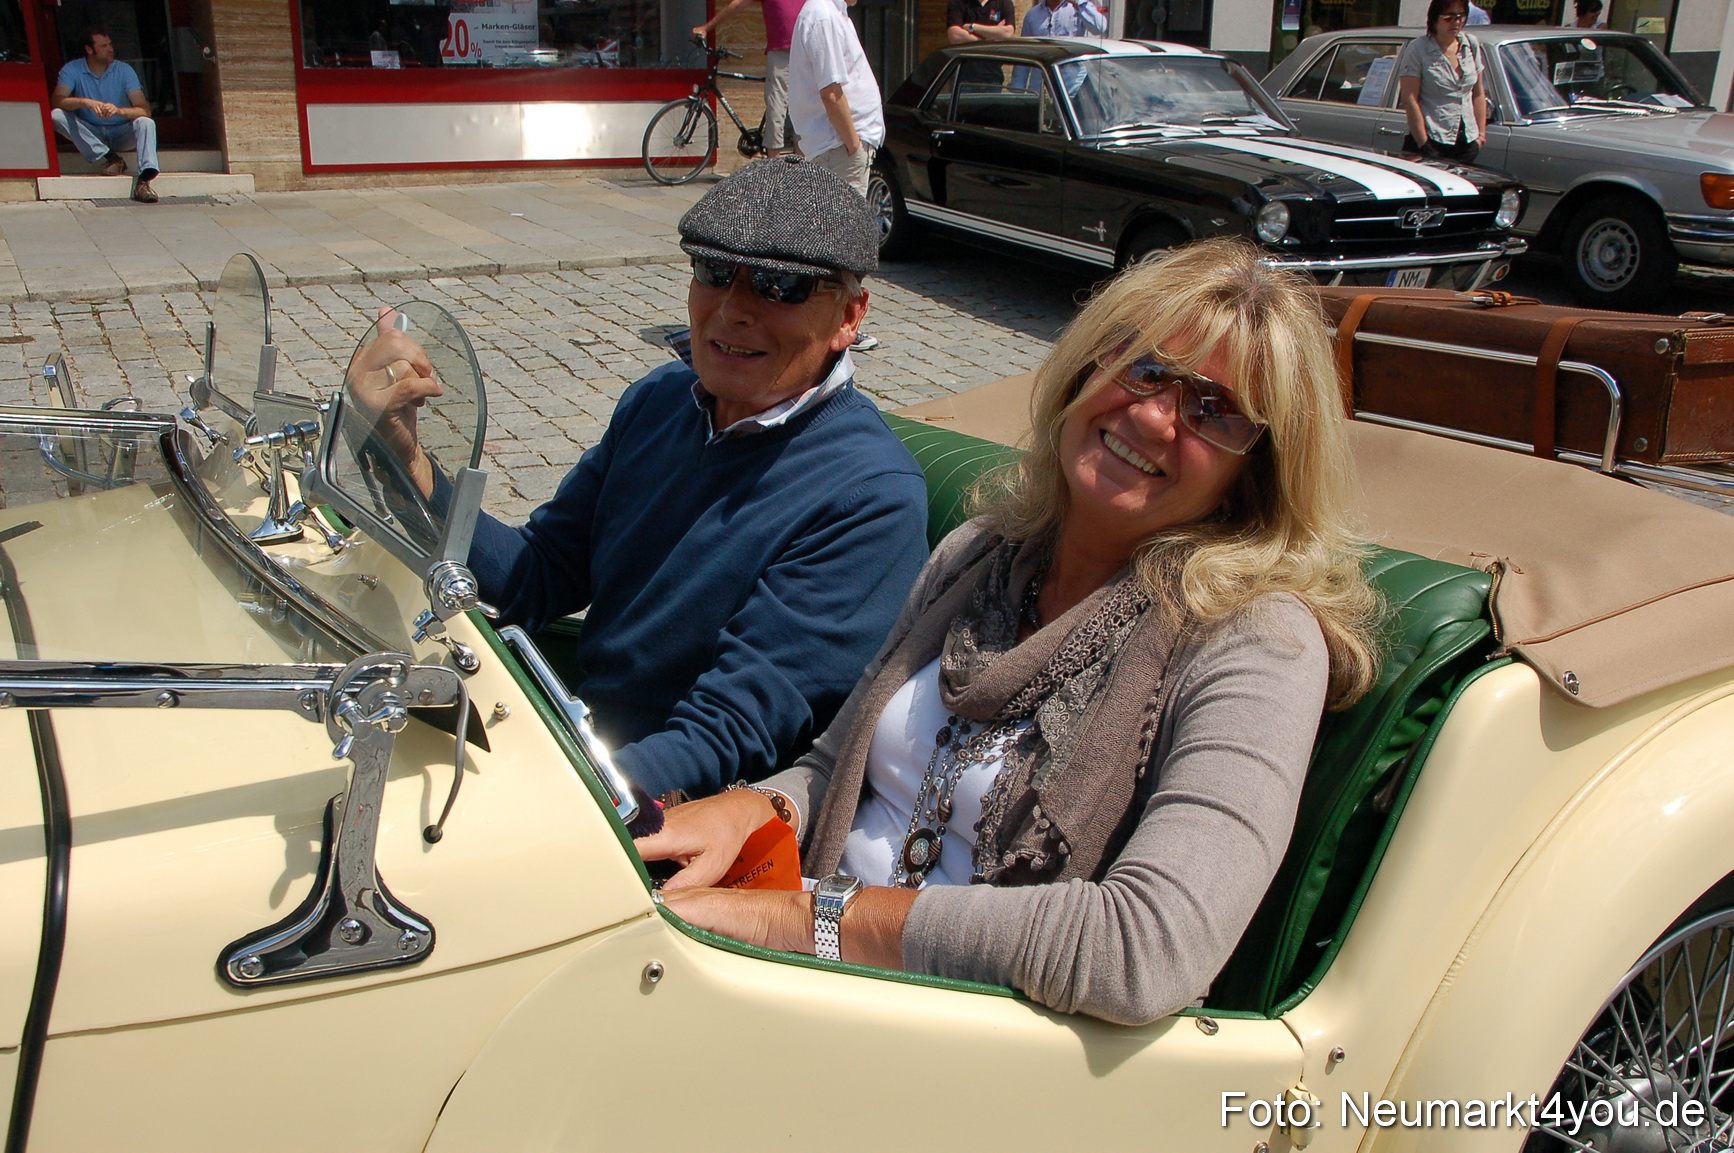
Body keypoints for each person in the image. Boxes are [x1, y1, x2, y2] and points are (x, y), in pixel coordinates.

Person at [637, 237, 1383, 1025]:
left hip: (979, 1045)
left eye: (1215, 410)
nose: (1156, 416)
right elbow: (834, 763)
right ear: (1087, 367)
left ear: (1255, 470)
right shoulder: (983, 551)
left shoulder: (1257, 640)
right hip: (791, 981)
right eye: (1145, 367)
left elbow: (1148, 948)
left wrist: (804, 920)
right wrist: (758, 808)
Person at [347, 157, 930, 801]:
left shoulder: (869, 495)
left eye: (779, 286)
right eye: (713, 273)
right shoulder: (660, 402)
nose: (733, 309)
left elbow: (729, 731)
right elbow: (536, 576)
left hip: (681, 814)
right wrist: (405, 460)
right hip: (584, 742)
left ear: (850, 316)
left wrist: (553, 796)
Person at [787, 0, 884, 351]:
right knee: (840, 242)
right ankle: (835, 328)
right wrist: (853, 144)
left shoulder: (830, 13)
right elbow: (830, 90)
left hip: (835, 146)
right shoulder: (823, 14)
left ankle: (826, 323)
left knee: (832, 239)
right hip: (839, 147)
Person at [51, 28, 159, 204]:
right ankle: (111, 158)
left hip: (122, 132)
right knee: (56, 115)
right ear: (89, 49)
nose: (110, 49)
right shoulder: (72, 69)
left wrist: (119, 111)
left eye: (110, 44)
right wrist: (85, 102)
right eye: (103, 46)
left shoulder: (124, 70)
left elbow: (144, 109)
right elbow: (57, 100)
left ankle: (144, 181)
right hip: (92, 131)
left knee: (146, 122)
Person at [694, 0, 805, 156]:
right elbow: (737, 4)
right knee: (776, 108)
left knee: (804, 109)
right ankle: (774, 168)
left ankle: (802, 169)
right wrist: (706, 27)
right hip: (780, 52)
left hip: (807, 50)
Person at [1395, 0, 1487, 164]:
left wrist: (1480, 137)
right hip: (1432, 139)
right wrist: (1424, 143)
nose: (1456, 22)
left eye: (1461, 16)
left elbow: (1478, 93)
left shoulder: (1471, 45)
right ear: (1435, 19)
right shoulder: (1418, 49)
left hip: (1466, 141)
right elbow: (1409, 99)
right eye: (1449, 17)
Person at [1021, 0, 1107, 38]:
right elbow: (1025, 51)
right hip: (1042, 73)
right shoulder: (1032, 14)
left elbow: (1099, 27)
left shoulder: (1078, 8)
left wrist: (1078, 3)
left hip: (1071, 73)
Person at [946, 0, 1017, 44]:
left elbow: (1008, 33)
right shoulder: (958, 2)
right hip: (967, 64)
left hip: (993, 65)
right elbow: (955, 36)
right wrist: (992, 38)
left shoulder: (1004, 3)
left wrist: (972, 27)